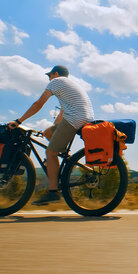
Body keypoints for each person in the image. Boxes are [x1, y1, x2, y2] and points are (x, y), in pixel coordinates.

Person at [8, 65, 94, 205]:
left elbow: (38, 104)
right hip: (83, 118)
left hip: (75, 119)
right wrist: (53, 129)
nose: (49, 78)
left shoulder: (56, 82)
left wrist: (19, 121)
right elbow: (62, 113)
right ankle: (66, 161)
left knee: (50, 152)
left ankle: (53, 191)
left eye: (49, 75)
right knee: (48, 132)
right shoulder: (70, 85)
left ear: (55, 74)